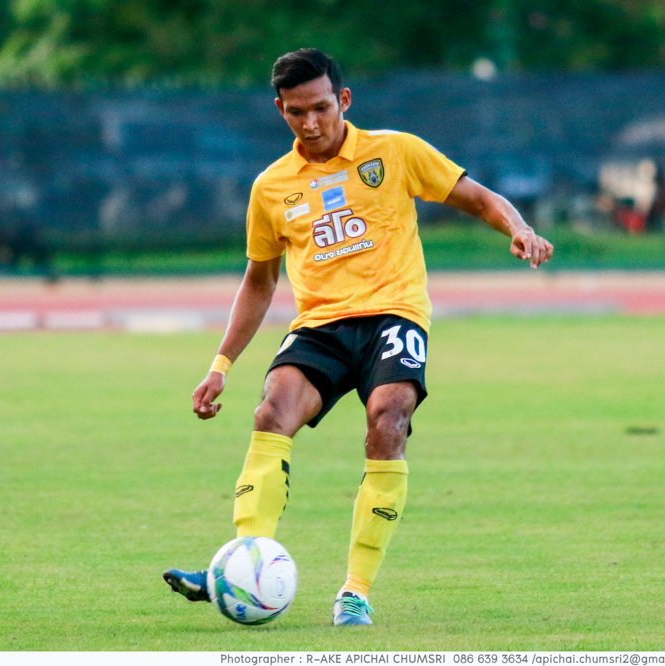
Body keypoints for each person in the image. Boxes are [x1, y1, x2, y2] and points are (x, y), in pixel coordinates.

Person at [162, 48, 553, 626]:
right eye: (296, 112)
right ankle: (240, 567)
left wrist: (518, 227)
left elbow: (477, 197)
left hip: (394, 315)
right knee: (271, 413)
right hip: (320, 326)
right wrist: (220, 365)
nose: (310, 123)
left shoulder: (395, 151)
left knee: (388, 420)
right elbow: (259, 281)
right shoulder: (271, 187)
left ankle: (356, 591)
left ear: (343, 100)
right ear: (280, 110)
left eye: (321, 107)